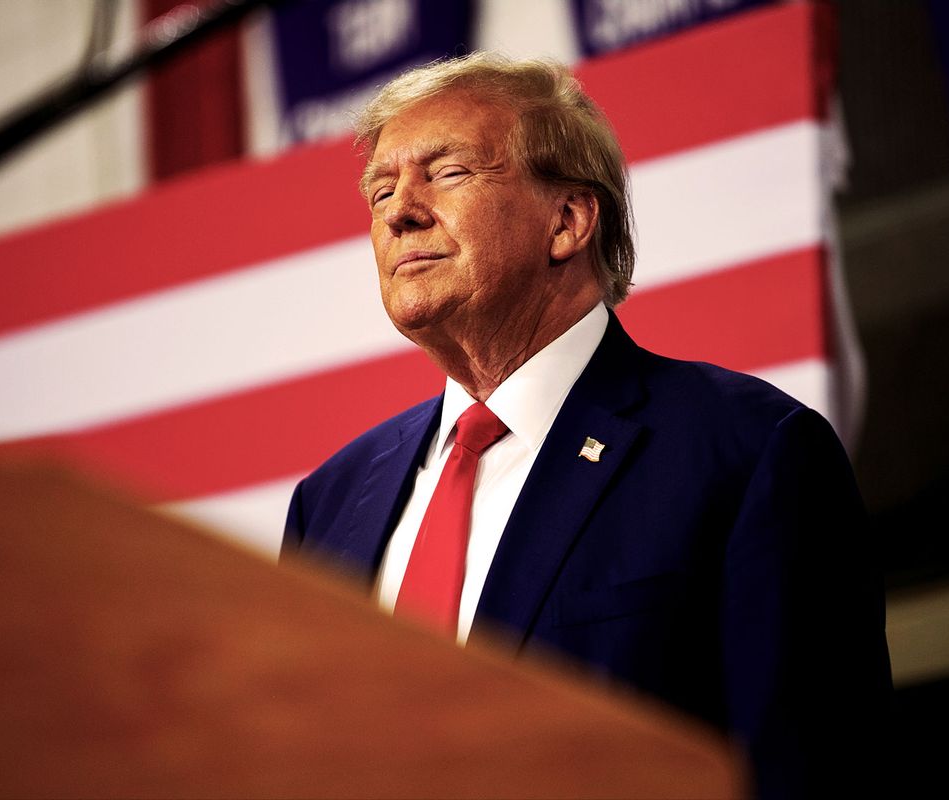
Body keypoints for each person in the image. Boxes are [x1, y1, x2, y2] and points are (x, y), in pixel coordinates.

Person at [283, 53, 892, 798]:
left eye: (446, 174)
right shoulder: (330, 504)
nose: (398, 211)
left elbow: (810, 773)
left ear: (568, 221)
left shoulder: (748, 453)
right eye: (381, 189)